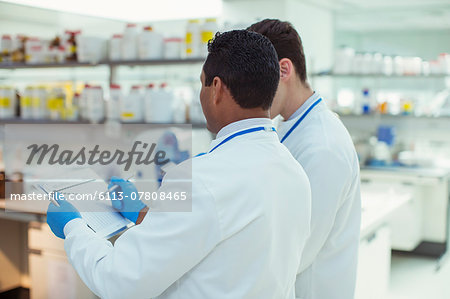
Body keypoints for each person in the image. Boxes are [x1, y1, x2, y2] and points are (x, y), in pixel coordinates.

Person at [46, 30, 312, 299]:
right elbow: (223, 241)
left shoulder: (201, 179)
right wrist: (141, 214)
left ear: (216, 89)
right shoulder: (292, 168)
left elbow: (119, 282)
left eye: (202, 84)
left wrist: (73, 228)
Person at [248, 19, 362, 299]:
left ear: (284, 70)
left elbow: (298, 250)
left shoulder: (323, 146)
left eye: (255, 80)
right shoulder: (288, 123)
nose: (249, 94)